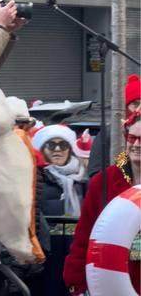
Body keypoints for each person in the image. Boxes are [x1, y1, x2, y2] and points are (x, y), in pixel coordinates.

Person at [63, 110, 141, 295]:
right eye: (132, 138)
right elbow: (84, 236)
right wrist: (77, 284)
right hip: (113, 279)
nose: (137, 144)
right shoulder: (104, 181)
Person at [31, 124, 88, 296]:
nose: (57, 149)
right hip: (48, 250)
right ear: (42, 149)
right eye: (51, 145)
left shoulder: (83, 178)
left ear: (70, 149)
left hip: (76, 248)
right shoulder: (36, 177)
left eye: (63, 144)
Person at [88, 73, 141, 177]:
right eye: (135, 104)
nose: (139, 109)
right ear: (125, 106)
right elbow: (96, 173)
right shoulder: (109, 133)